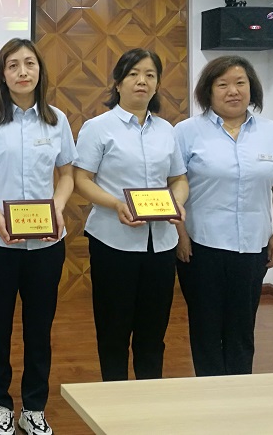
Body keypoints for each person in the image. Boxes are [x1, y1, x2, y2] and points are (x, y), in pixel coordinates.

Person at [0, 39, 76, 435]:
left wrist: (58, 206)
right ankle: (0, 404)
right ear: (2, 74)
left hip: (46, 243)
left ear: (40, 71)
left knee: (39, 327)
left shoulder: (57, 120)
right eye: (13, 65)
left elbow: (67, 174)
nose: (22, 71)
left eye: (29, 63)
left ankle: (34, 407)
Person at [174, 55, 273, 377]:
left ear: (251, 88)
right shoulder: (187, 132)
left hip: (252, 246)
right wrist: (180, 235)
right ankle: (209, 393)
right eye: (223, 84)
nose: (233, 91)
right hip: (201, 246)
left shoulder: (272, 132)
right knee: (205, 327)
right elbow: (172, 185)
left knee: (242, 328)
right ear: (208, 91)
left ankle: (239, 391)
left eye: (240, 83)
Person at [73, 48, 188, 382]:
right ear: (118, 82)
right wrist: (115, 204)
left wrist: (178, 203)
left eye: (150, 75)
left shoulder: (167, 130)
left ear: (157, 84)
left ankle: (149, 399)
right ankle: (114, 400)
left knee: (153, 331)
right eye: (134, 74)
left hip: (161, 244)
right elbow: (82, 179)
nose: (142, 81)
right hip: (113, 240)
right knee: (114, 329)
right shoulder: (98, 127)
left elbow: (179, 179)